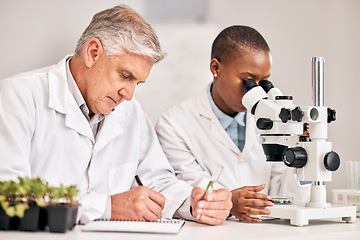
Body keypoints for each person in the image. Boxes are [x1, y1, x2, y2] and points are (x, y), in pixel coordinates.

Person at [0, 5, 232, 225]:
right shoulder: (19, 96)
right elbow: (7, 192)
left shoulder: (130, 113)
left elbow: (158, 181)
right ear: (93, 53)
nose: (129, 94)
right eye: (125, 75)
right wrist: (106, 206)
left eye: (137, 83)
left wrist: (193, 202)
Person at [155, 25, 310, 223]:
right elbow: (189, 189)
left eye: (264, 83)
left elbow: (284, 190)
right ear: (216, 68)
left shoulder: (272, 118)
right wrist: (229, 202)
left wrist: (305, 160)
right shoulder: (174, 124)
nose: (253, 91)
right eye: (247, 80)